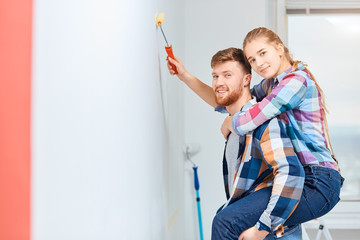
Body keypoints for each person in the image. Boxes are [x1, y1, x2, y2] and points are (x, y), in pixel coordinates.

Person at [168, 48, 304, 240]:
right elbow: (216, 98)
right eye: (215, 76)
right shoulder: (236, 122)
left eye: (227, 75)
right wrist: (184, 76)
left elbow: (290, 173)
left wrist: (262, 229)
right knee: (222, 214)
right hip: (253, 224)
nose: (218, 82)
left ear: (247, 80)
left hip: (273, 232)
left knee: (223, 220)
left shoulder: (262, 121)